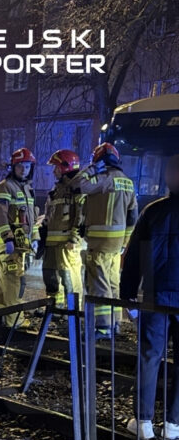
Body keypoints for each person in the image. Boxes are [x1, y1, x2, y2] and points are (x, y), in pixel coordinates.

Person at [119, 154, 179, 440]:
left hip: (155, 295)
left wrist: (127, 294)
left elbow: (133, 258)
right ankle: (174, 424)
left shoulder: (153, 212)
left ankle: (143, 422)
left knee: (149, 357)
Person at [68, 142, 138, 338]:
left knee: (99, 284)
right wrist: (125, 242)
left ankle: (103, 327)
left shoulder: (104, 179)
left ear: (100, 161)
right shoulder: (127, 182)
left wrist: (92, 169)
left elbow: (76, 185)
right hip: (117, 243)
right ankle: (115, 324)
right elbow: (132, 216)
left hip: (100, 241)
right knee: (113, 283)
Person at [0, 147, 39, 326]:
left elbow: (32, 218)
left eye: (27, 166)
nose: (24, 170)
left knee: (6, 280)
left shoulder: (27, 189)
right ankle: (14, 321)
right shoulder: (4, 187)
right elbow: (1, 215)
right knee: (14, 281)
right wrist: (8, 238)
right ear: (13, 167)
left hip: (19, 244)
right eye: (20, 166)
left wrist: (35, 238)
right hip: (8, 245)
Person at [41, 149, 85, 308]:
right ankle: (54, 307)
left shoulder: (76, 188)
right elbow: (49, 216)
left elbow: (81, 213)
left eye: (56, 167)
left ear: (65, 167)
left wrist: (74, 238)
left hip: (67, 243)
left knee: (69, 277)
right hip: (51, 243)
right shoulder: (56, 191)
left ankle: (73, 311)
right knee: (50, 275)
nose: (54, 171)